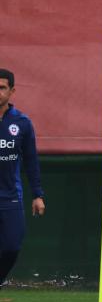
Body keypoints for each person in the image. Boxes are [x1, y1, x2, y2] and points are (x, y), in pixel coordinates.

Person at [0, 69, 45, 288]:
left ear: (12, 91)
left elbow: (30, 160)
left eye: (1, 88)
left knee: (11, 247)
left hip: (10, 197)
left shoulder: (22, 123)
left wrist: (37, 195)